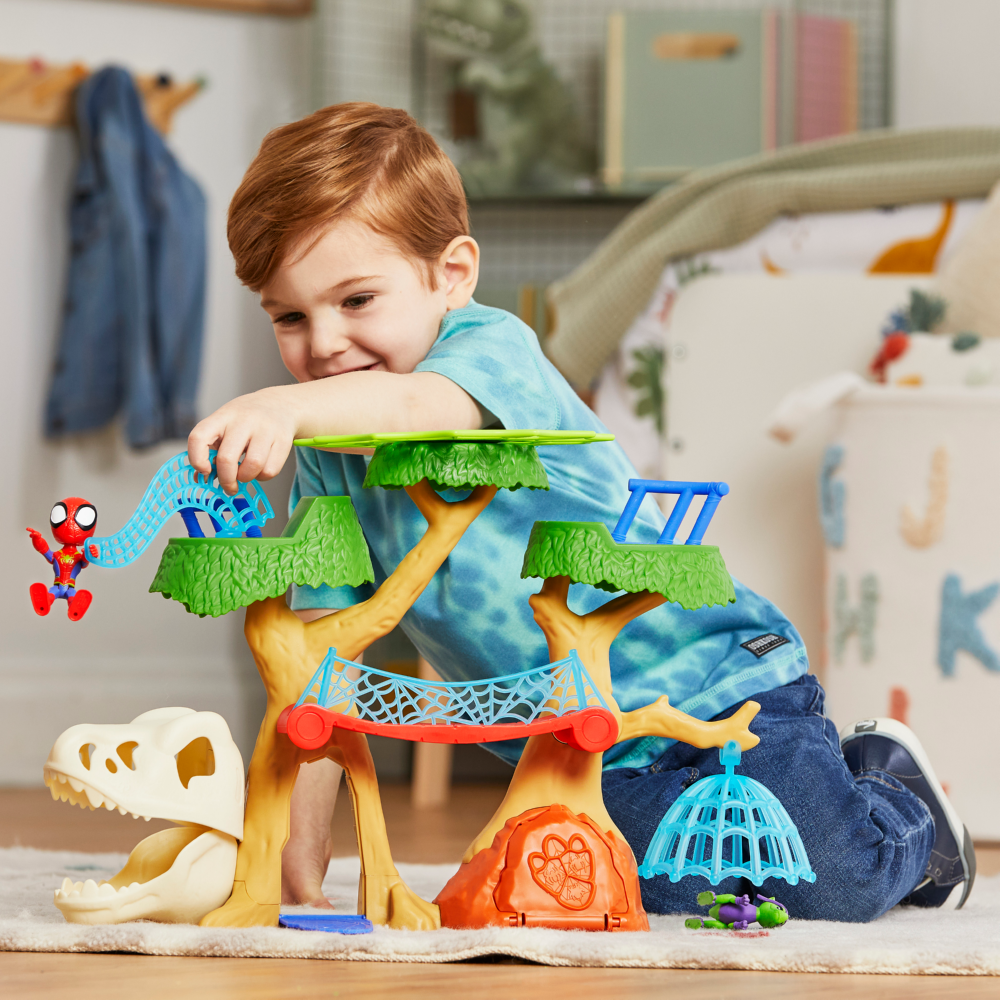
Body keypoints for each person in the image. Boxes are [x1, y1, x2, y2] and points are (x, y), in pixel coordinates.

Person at [188, 102, 975, 917]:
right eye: (290, 316)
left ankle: (895, 796)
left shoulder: (488, 355)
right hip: (588, 749)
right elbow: (320, 672)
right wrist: (296, 864)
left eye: (356, 301)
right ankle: (766, 828)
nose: (321, 345)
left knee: (834, 881)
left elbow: (415, 408)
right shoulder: (329, 457)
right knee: (626, 885)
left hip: (728, 689)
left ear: (451, 275)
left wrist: (283, 406)